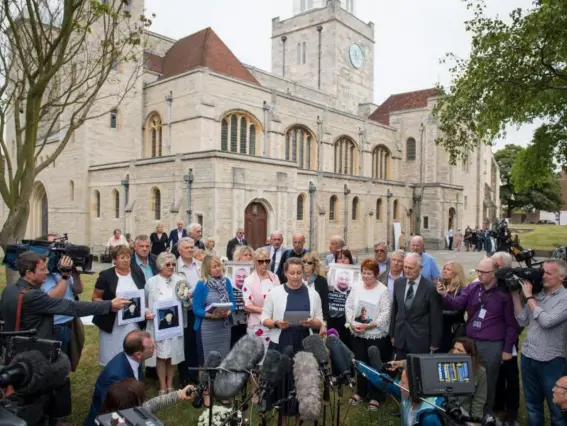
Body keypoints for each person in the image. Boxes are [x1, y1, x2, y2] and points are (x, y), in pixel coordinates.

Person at [1, 251, 130, 425]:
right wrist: (109, 305)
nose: (47, 272)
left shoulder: (9, 290)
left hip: (16, 353)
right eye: (42, 269)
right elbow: (70, 306)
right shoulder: (33, 296)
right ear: (29, 273)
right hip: (34, 358)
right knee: (37, 401)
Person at [437, 258, 517, 415]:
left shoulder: (503, 294)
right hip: (471, 341)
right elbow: (458, 304)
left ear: (494, 273)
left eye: (484, 272)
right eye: (478, 271)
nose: (479, 274)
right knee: (466, 375)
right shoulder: (474, 288)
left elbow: (511, 324)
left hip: (492, 344)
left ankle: (485, 414)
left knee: (488, 380)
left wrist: (507, 348)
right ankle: (462, 411)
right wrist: (445, 295)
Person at [262, 257, 324, 426]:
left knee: (301, 383)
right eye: (292, 273)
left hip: (303, 343)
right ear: (285, 273)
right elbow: (264, 318)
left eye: (298, 273)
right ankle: (281, 420)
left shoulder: (313, 294)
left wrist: (311, 323)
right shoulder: (275, 293)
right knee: (282, 382)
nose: (295, 277)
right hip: (282, 342)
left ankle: (298, 421)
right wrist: (276, 323)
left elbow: (320, 320)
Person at [512, 259, 567, 426]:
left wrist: (528, 296)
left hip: (552, 360)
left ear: (562, 277)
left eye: (549, 273)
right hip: (529, 357)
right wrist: (515, 294)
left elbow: (547, 321)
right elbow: (522, 321)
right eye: (543, 272)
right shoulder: (538, 295)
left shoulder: (564, 299)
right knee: (532, 405)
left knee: (556, 409)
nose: (543, 276)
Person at [346, 259, 391, 411]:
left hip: (375, 333)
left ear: (376, 274)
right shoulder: (356, 287)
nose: (366, 276)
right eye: (363, 273)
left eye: (369, 273)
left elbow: (386, 313)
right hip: (357, 332)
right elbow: (349, 306)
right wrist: (352, 322)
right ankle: (361, 392)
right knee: (360, 363)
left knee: (374, 365)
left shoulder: (383, 290)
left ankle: (376, 396)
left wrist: (370, 325)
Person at [92, 245, 149, 366]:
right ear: (114, 259)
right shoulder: (105, 275)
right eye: (122, 257)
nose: (126, 260)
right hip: (112, 322)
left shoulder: (137, 272)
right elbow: (95, 298)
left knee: (133, 350)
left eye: (128, 257)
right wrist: (109, 305)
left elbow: (143, 295)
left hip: (133, 322)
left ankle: (133, 375)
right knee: (112, 353)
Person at [84, 330, 155, 426]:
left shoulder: (132, 358)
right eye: (151, 347)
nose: (154, 348)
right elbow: (112, 411)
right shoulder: (115, 377)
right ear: (138, 354)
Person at [390, 253, 443, 359]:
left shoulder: (430, 288)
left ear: (420, 268)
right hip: (400, 338)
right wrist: (392, 334)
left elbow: (436, 317)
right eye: (405, 267)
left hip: (420, 340)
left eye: (411, 268)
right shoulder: (398, 283)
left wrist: (434, 342)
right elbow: (395, 310)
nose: (407, 270)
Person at [145, 252, 185, 395]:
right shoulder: (151, 281)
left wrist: (188, 297)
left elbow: (186, 302)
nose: (171, 267)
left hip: (174, 326)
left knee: (172, 355)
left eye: (173, 264)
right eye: (168, 264)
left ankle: (170, 384)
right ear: (160, 265)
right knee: (161, 356)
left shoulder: (180, 280)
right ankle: (162, 385)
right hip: (158, 326)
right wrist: (146, 312)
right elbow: (145, 302)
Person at [193, 256, 236, 362]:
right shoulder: (201, 285)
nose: (217, 268)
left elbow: (233, 303)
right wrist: (212, 315)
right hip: (207, 328)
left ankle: (221, 378)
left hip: (224, 327)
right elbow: (196, 309)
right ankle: (206, 378)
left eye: (218, 266)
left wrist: (229, 312)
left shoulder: (227, 282)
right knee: (208, 359)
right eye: (214, 267)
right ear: (207, 270)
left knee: (224, 358)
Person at [40, 254, 83, 359]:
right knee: (57, 361)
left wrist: (76, 276)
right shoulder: (45, 275)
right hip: (56, 325)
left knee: (68, 358)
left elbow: (78, 290)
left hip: (70, 320)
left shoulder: (63, 271)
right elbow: (54, 299)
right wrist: (65, 276)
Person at [242, 248, 280, 351]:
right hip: (257, 325)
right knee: (257, 357)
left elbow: (280, 298)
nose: (264, 264)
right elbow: (247, 305)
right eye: (261, 261)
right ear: (255, 262)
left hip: (274, 324)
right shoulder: (249, 280)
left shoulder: (275, 277)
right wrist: (266, 311)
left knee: (272, 356)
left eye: (267, 261)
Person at [175, 237, 201, 385]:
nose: (190, 250)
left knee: (196, 342)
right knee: (184, 342)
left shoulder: (200, 265)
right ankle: (184, 375)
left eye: (192, 247)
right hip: (182, 311)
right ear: (179, 250)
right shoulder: (175, 267)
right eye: (186, 248)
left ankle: (195, 373)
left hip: (198, 311)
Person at [100, 378, 195, 416]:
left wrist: (179, 394)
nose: (144, 402)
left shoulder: (133, 411)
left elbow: (154, 403)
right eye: (141, 401)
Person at [452, 337, 488, 420]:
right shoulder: (443, 365)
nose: (454, 352)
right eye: (454, 348)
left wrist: (475, 421)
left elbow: (478, 400)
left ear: (469, 355)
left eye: (460, 350)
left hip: (464, 414)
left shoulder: (480, 372)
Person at [327, 248, 354, 351]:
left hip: (348, 317)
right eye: (339, 258)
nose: (342, 260)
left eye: (345, 258)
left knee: (348, 346)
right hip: (333, 315)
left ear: (350, 260)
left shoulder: (357, 276)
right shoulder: (330, 274)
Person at [439, 261, 467, 353]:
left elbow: (458, 312)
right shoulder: (441, 286)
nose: (444, 271)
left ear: (456, 273)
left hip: (454, 330)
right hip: (440, 328)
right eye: (444, 269)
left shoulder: (462, 290)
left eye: (448, 269)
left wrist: (437, 314)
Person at [230, 245, 255, 347]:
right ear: (238, 257)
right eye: (245, 255)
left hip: (249, 312)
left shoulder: (254, 272)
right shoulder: (231, 272)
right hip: (235, 312)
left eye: (250, 255)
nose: (248, 257)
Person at [301, 252, 329, 335]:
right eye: (304, 262)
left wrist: (323, 325)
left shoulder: (321, 281)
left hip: (315, 323)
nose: (306, 264)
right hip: (299, 321)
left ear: (314, 265)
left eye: (309, 263)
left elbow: (325, 306)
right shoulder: (297, 279)